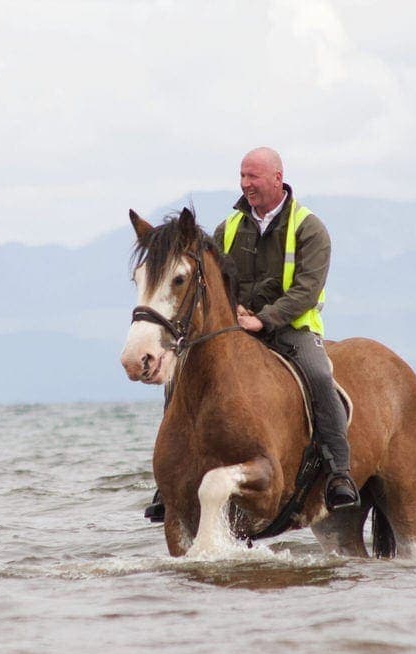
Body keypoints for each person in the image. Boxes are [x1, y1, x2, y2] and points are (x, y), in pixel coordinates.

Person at [143, 147, 359, 522]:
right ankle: (169, 485)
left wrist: (265, 319)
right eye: (242, 177)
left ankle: (339, 473)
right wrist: (235, 310)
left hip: (293, 328)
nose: (246, 184)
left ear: (277, 178)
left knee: (321, 376)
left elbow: (307, 290)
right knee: (177, 380)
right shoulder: (228, 229)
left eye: (253, 177)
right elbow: (215, 282)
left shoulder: (309, 228)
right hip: (238, 328)